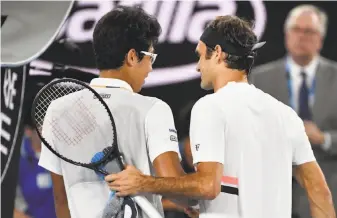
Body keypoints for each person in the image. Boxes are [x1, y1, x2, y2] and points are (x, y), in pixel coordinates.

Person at [105, 15, 336, 218]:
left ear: (217, 53)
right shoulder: (287, 115)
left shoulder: (210, 107)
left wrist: (142, 182)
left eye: (200, 56)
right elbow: (319, 191)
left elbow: (207, 185)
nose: (197, 67)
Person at [38, 6, 189, 218]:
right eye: (150, 58)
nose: (150, 69)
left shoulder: (57, 110)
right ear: (132, 56)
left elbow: (60, 198)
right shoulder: (154, 109)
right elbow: (178, 190)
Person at [250, 4, 337, 217]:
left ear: (321, 38)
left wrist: (324, 138)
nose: (301, 36)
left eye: (309, 31)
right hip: (272, 192)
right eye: (296, 30)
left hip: (325, 189)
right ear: (286, 34)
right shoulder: (260, 79)